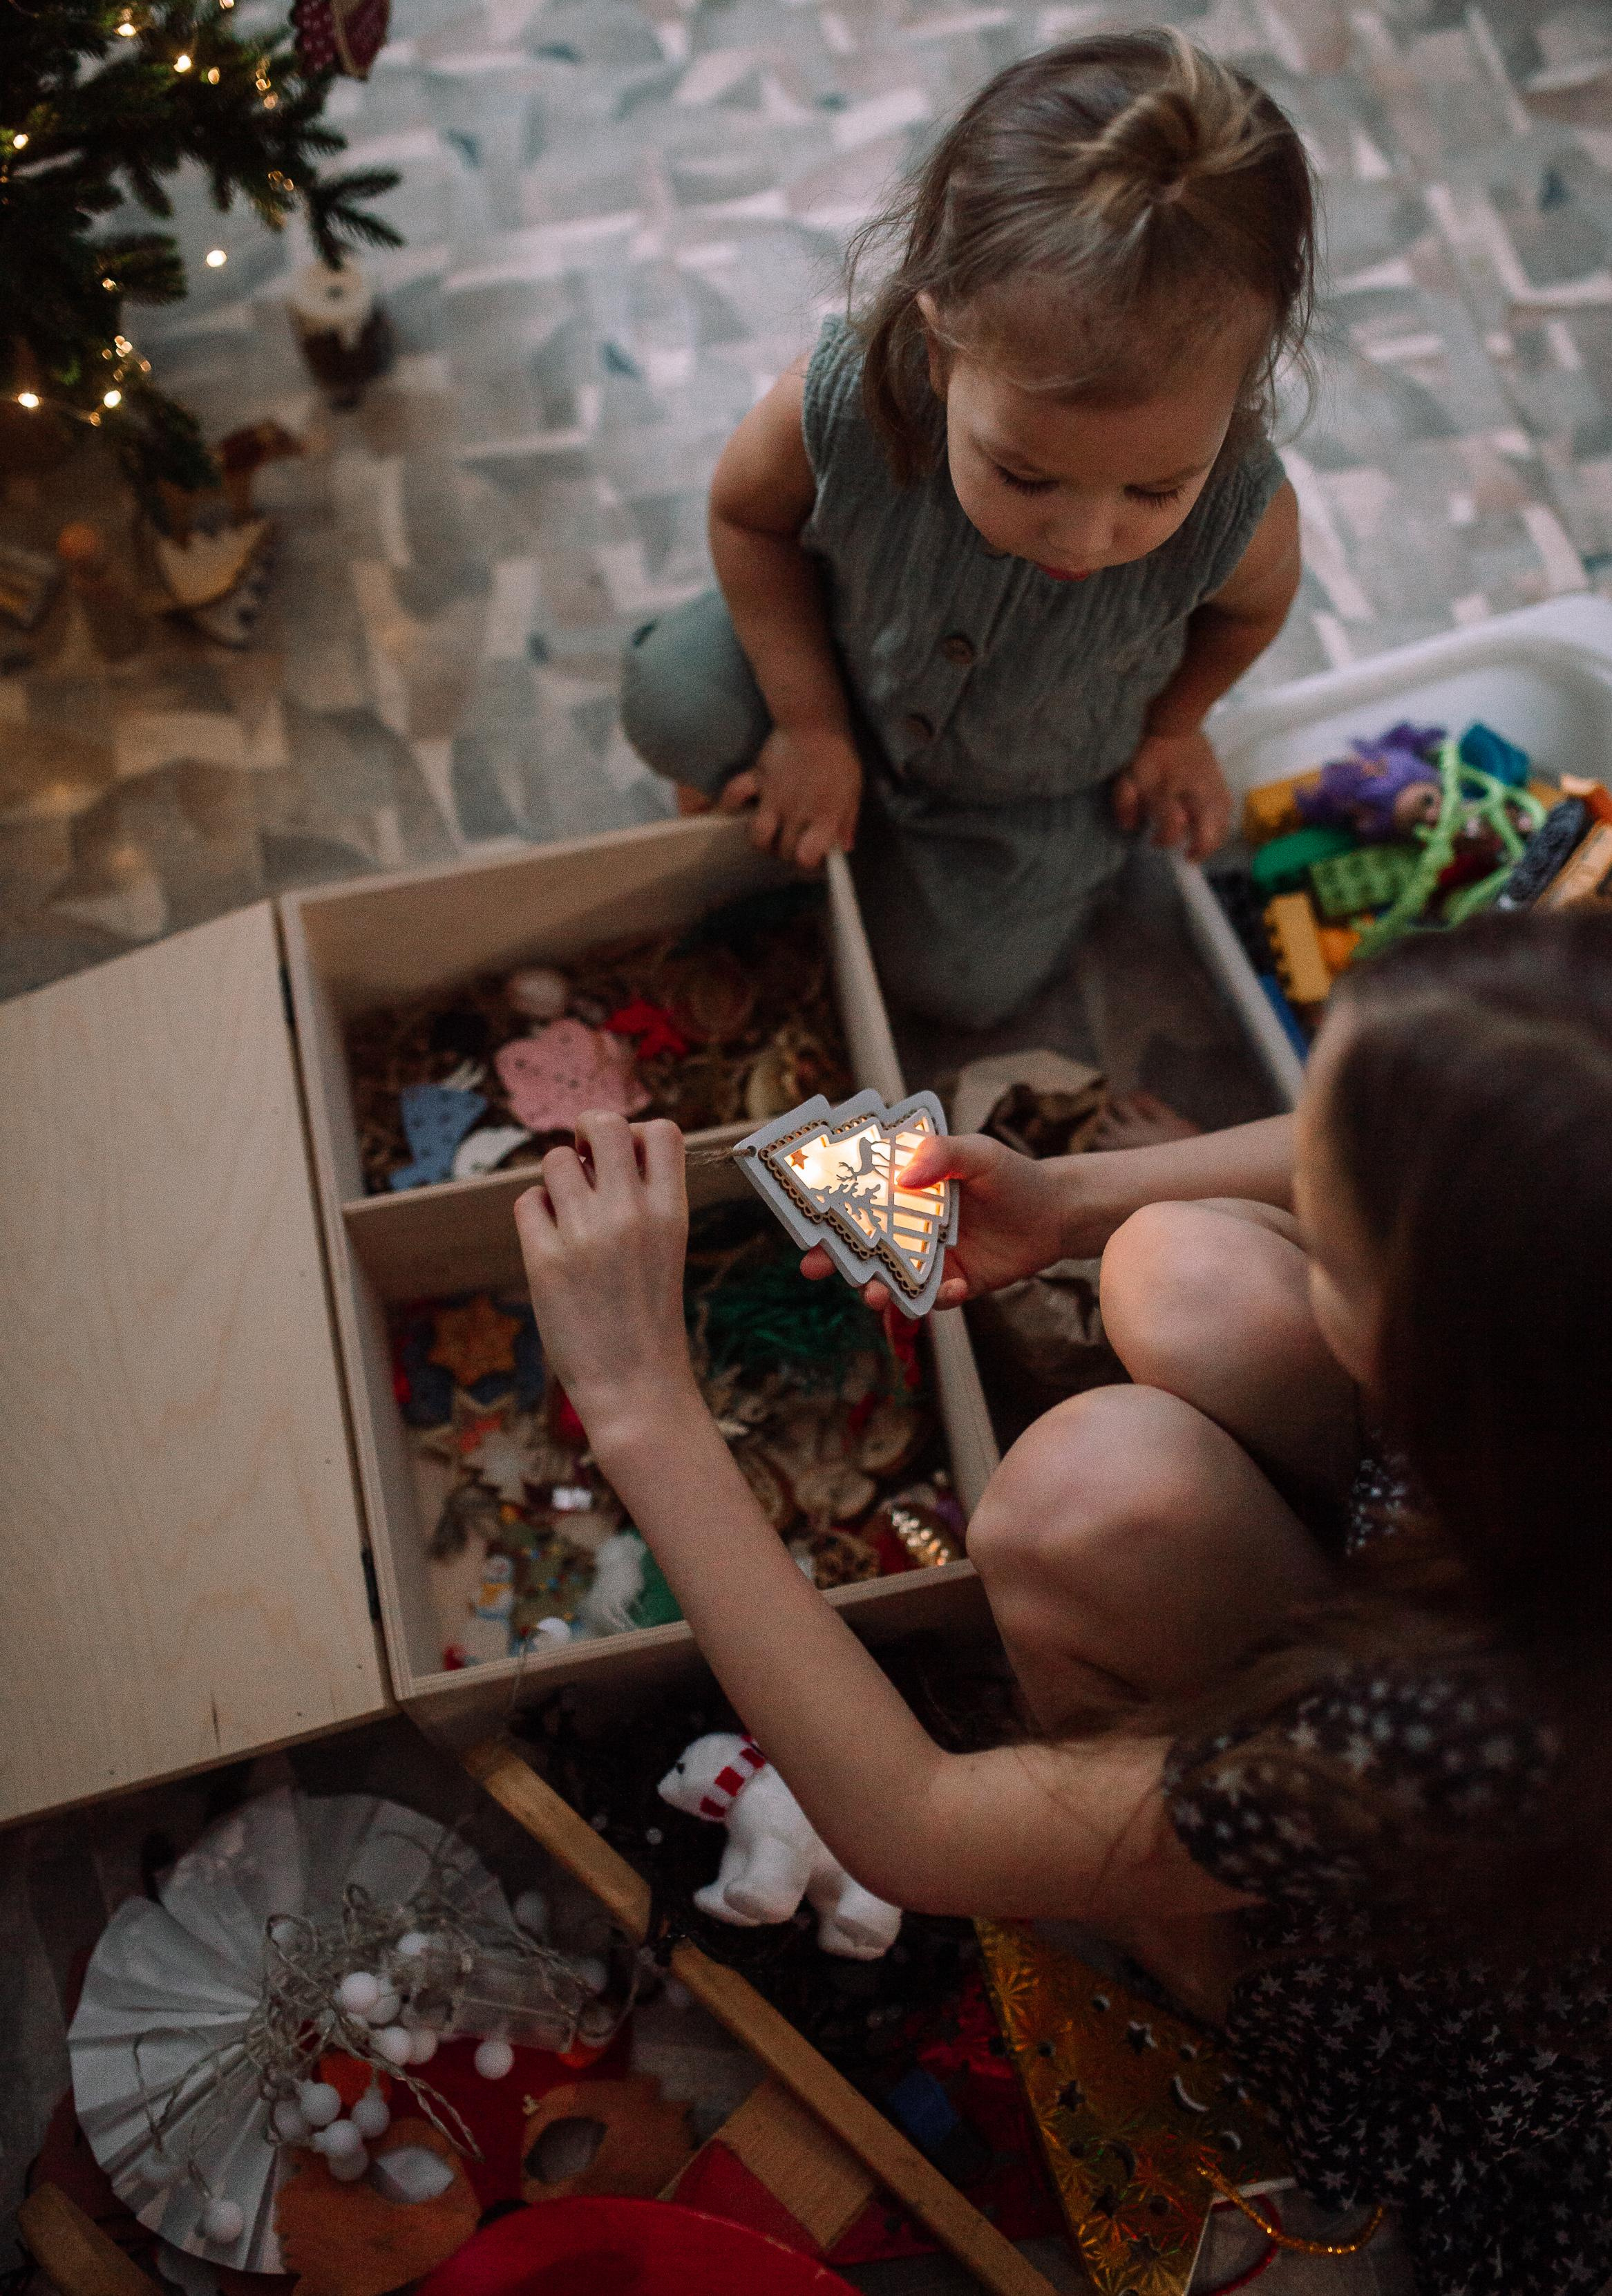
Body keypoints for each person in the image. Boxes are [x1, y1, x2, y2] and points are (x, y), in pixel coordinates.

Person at [514, 905, 1612, 2295]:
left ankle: (1214, 1977)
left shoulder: (1469, 1728)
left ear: (1444, 1351)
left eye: (1331, 1235)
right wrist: (1072, 1201)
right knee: (1178, 1267)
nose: (1299, 1187)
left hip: (1472, 2020)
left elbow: (917, 1828)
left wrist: (636, 1400)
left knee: (1080, 1491)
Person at [622, 29, 1312, 1029]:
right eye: (1024, 474)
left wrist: (1175, 727)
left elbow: (1251, 613)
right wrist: (810, 725)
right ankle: (790, 784)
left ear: (1237, 395)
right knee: (671, 698)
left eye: (1154, 491)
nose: (1082, 539)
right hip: (838, 673)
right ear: (940, 350)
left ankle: (837, 831)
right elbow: (746, 519)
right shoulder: (841, 405)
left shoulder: (1246, 511)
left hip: (1027, 785)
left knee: (958, 985)